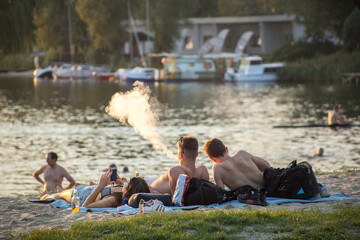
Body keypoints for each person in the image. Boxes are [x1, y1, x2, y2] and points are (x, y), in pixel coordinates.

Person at [40, 170, 150, 208]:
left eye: (127, 183)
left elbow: (85, 206)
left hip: (80, 194)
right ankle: (61, 190)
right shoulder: (123, 192)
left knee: (59, 195)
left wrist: (100, 186)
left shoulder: (113, 200)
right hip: (90, 189)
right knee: (63, 192)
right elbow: (123, 188)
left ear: (128, 191)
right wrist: (119, 182)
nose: (126, 182)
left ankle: (46, 195)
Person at [204, 138, 271, 190]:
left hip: (251, 196)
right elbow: (267, 165)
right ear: (227, 149)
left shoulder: (217, 169)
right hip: (268, 188)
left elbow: (220, 192)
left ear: (212, 159)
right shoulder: (242, 154)